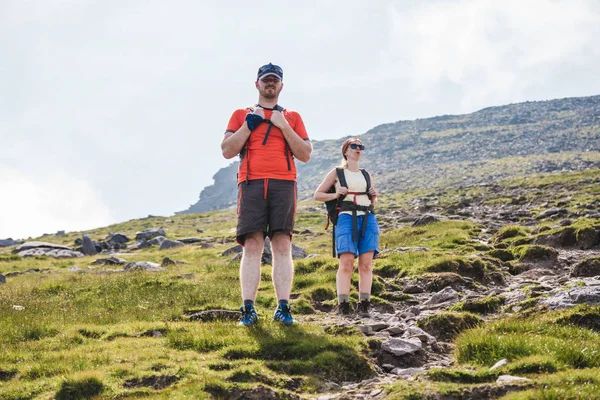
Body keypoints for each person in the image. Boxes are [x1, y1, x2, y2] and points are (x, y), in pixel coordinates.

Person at [221, 63, 312, 326]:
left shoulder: (292, 117)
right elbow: (227, 150)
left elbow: (305, 154)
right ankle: (248, 310)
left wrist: (283, 126)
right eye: (266, 80)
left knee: (282, 244)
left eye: (275, 80)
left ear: (281, 86)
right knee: (252, 245)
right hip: (250, 183)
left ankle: (283, 308)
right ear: (257, 84)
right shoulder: (241, 114)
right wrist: (249, 126)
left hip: (284, 184)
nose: (270, 84)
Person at [314, 138, 379, 316]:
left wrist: (374, 197)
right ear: (346, 151)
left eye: (361, 147)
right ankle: (343, 305)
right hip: (346, 218)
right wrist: (336, 194)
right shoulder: (336, 173)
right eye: (354, 146)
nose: (358, 149)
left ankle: (364, 304)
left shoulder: (366, 174)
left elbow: (372, 200)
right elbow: (317, 195)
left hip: (367, 218)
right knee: (347, 263)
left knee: (366, 264)